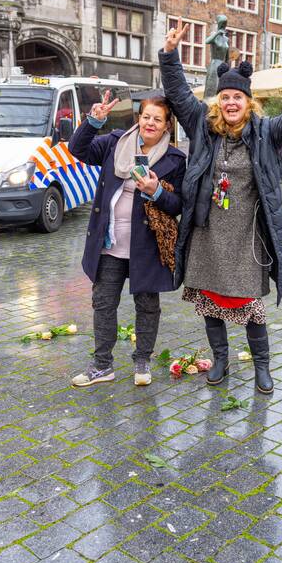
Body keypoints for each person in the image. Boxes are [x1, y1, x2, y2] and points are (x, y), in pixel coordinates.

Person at [159, 22, 282, 394]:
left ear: (250, 102)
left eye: (238, 97)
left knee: (251, 305)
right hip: (207, 231)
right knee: (208, 299)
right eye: (226, 97)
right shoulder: (203, 124)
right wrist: (169, 56)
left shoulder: (267, 132)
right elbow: (179, 93)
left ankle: (262, 365)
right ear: (219, 101)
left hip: (247, 237)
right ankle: (220, 360)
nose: (231, 103)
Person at [68, 93, 187, 386]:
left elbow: (179, 205)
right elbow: (78, 150)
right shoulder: (114, 143)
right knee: (103, 303)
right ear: (139, 118)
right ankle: (102, 365)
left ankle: (142, 361)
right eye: (146, 116)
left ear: (166, 125)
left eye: (157, 119)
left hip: (146, 247)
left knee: (147, 305)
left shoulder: (174, 159)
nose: (150, 123)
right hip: (109, 243)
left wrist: (156, 191)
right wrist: (94, 121)